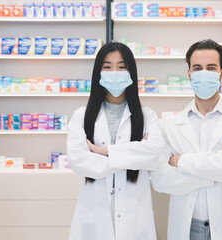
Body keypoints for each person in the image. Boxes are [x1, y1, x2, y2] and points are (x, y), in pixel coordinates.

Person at [151, 39, 222, 240]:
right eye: (197, 68)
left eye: (211, 68)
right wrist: (218, 165)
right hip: (188, 228)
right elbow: (161, 180)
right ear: (189, 73)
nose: (203, 73)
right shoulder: (170, 125)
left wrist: (180, 161)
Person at [67, 41, 163, 240]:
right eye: (107, 67)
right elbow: (79, 161)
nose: (115, 72)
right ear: (98, 73)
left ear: (131, 72)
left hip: (135, 221)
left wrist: (103, 151)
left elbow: (154, 155)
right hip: (93, 219)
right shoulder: (81, 116)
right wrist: (134, 155)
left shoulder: (147, 116)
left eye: (121, 67)